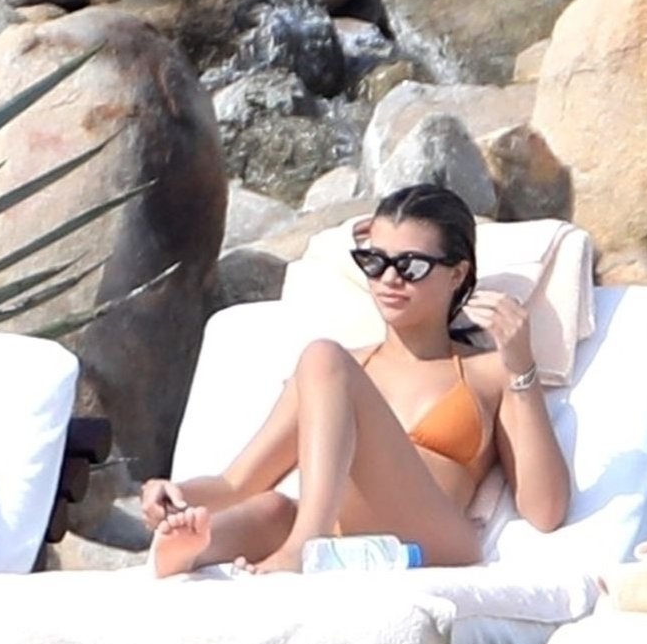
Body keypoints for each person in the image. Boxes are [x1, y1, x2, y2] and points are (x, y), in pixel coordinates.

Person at [142, 184, 570, 576]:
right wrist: (176, 494)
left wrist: (522, 369)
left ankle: (304, 547)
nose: (389, 279)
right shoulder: (336, 378)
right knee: (273, 508)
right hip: (346, 542)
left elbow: (545, 511)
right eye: (375, 261)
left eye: (411, 266)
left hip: (434, 543)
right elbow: (237, 484)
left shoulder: (487, 372)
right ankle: (189, 548)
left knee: (322, 356)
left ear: (457, 274)